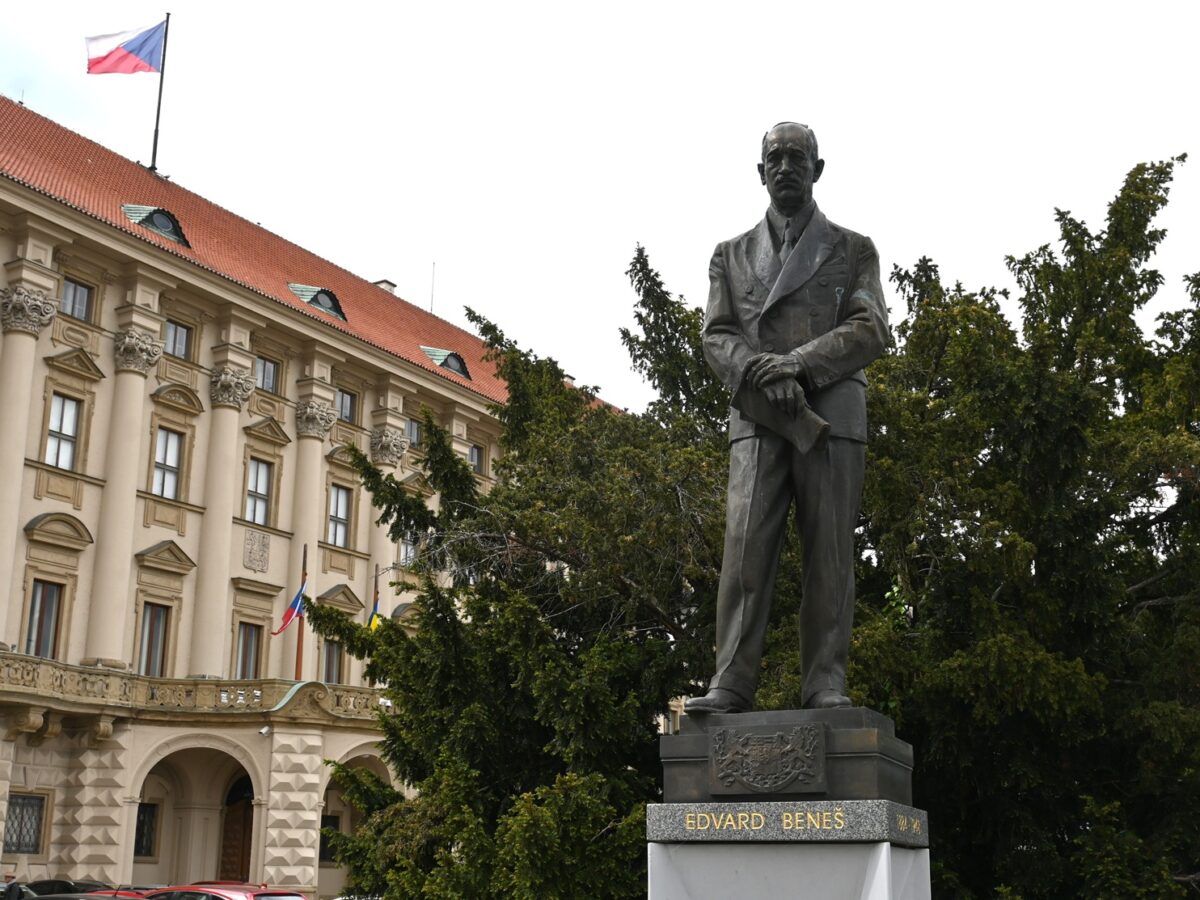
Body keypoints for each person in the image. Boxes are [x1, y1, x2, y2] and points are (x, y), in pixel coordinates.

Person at [686, 122, 889, 714]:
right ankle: (731, 681)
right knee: (744, 551)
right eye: (774, 158)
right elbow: (718, 335)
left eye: (797, 158)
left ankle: (825, 680)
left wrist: (796, 366)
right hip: (756, 416)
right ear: (759, 172)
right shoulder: (730, 255)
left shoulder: (853, 249)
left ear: (818, 169)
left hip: (827, 413)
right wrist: (760, 374)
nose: (785, 167)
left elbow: (870, 326)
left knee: (828, 553)